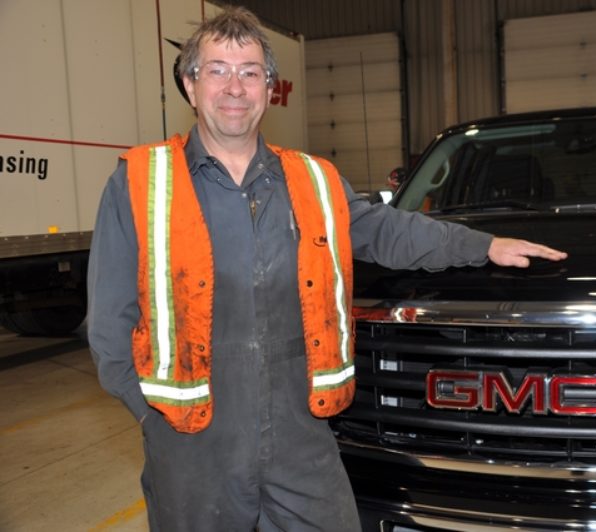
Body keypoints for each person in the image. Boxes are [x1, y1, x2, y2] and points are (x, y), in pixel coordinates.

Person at [87, 7, 567, 532]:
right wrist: (150, 418)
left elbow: (388, 231)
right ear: (189, 82)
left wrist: (484, 245)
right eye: (217, 70)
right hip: (192, 444)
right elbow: (109, 321)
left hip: (300, 432)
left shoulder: (313, 180)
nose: (234, 87)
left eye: (250, 72)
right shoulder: (141, 181)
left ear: (270, 88)